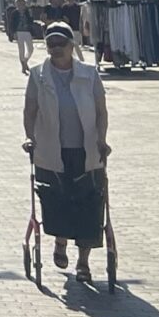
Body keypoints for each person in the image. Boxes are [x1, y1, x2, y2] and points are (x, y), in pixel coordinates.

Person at [21, 22, 108, 278]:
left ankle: (83, 262)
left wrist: (102, 139)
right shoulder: (38, 75)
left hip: (86, 151)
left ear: (72, 45)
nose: (56, 48)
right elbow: (30, 111)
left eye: (61, 43)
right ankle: (60, 240)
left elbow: (101, 111)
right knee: (57, 200)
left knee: (89, 205)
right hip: (51, 151)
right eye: (51, 44)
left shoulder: (89, 74)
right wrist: (29, 137)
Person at [5, 0, 36, 73]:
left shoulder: (27, 12)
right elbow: (11, 24)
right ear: (16, 4)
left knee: (31, 49)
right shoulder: (14, 13)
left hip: (27, 31)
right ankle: (23, 66)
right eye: (19, 4)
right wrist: (13, 33)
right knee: (21, 49)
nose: (21, 5)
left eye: (23, 4)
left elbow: (31, 22)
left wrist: (33, 32)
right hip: (19, 32)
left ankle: (25, 61)